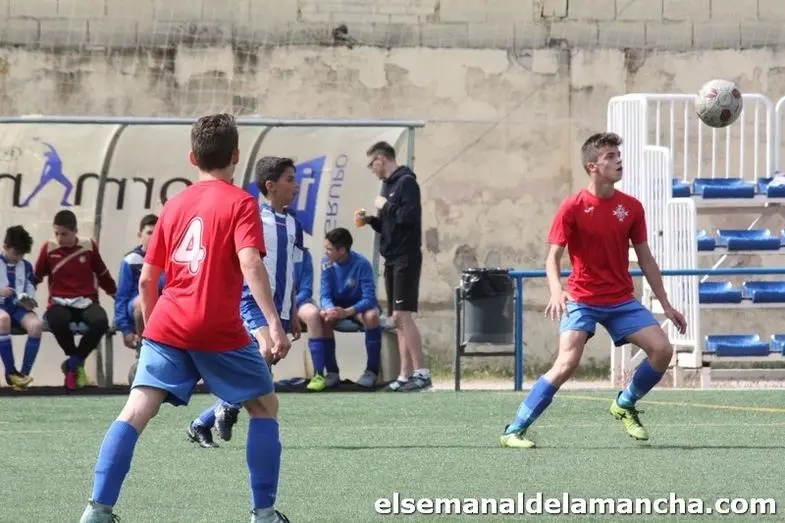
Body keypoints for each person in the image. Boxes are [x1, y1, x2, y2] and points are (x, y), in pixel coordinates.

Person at [79, 114, 292, 523]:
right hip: (217, 327)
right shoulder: (241, 203)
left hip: (166, 324)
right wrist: (273, 322)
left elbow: (147, 280)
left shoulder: (174, 205)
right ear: (236, 155)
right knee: (264, 407)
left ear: (192, 157)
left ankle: (98, 509)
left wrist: (154, 334)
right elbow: (250, 261)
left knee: (135, 412)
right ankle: (264, 514)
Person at [499, 132, 687, 449]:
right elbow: (552, 258)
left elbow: (646, 258)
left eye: (618, 155)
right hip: (582, 299)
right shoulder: (572, 207)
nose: (618, 160)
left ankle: (625, 403)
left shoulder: (631, 208)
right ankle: (514, 430)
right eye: (610, 156)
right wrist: (556, 290)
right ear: (592, 166)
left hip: (621, 300)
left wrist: (666, 304)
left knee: (662, 350)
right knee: (566, 363)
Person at [188, 155, 303, 447]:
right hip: (251, 300)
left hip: (280, 306)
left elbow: (292, 268)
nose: (296, 185)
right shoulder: (253, 216)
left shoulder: (294, 224)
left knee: (260, 373)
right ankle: (227, 407)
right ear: (270, 185)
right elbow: (244, 261)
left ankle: (201, 423)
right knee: (265, 350)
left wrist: (293, 308)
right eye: (290, 179)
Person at [355, 141, 430, 392]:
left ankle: (422, 373)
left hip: (405, 257)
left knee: (402, 315)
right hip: (392, 257)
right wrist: (371, 220)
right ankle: (404, 375)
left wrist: (386, 206)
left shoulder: (406, 182)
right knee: (397, 319)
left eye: (371, 164)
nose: (372, 170)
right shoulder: (387, 186)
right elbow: (391, 223)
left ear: (381, 159)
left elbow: (409, 217)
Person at [34, 210, 116, 390]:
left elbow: (102, 274)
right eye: (56, 233)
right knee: (57, 321)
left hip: (86, 301)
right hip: (59, 302)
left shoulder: (88, 246)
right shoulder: (49, 248)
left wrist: (115, 294)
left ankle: (71, 364)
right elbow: (36, 276)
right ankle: (75, 364)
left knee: (100, 322)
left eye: (64, 234)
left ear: (75, 231)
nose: (59, 238)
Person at [309, 227, 381, 390]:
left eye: (329, 249)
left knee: (372, 316)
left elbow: (369, 298)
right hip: (337, 308)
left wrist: (348, 312)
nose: (326, 252)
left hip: (358, 308)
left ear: (342, 250)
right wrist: (330, 309)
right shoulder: (326, 263)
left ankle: (371, 371)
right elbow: (324, 294)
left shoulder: (362, 264)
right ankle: (332, 373)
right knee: (324, 318)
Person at [115, 214, 165, 383]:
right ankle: (144, 348)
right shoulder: (131, 261)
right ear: (140, 235)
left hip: (162, 306)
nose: (153, 237)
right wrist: (126, 330)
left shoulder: (170, 258)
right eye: (149, 233)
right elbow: (121, 297)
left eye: (156, 233)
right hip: (136, 308)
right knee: (141, 301)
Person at [0, 225, 42, 390]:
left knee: (36, 325)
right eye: (16, 253)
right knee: (3, 319)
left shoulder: (26, 266)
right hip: (1, 307)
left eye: (22, 254)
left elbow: (30, 288)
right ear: (5, 247)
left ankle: (23, 376)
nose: (19, 258)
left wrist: (29, 301)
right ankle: (11, 372)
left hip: (17, 307)